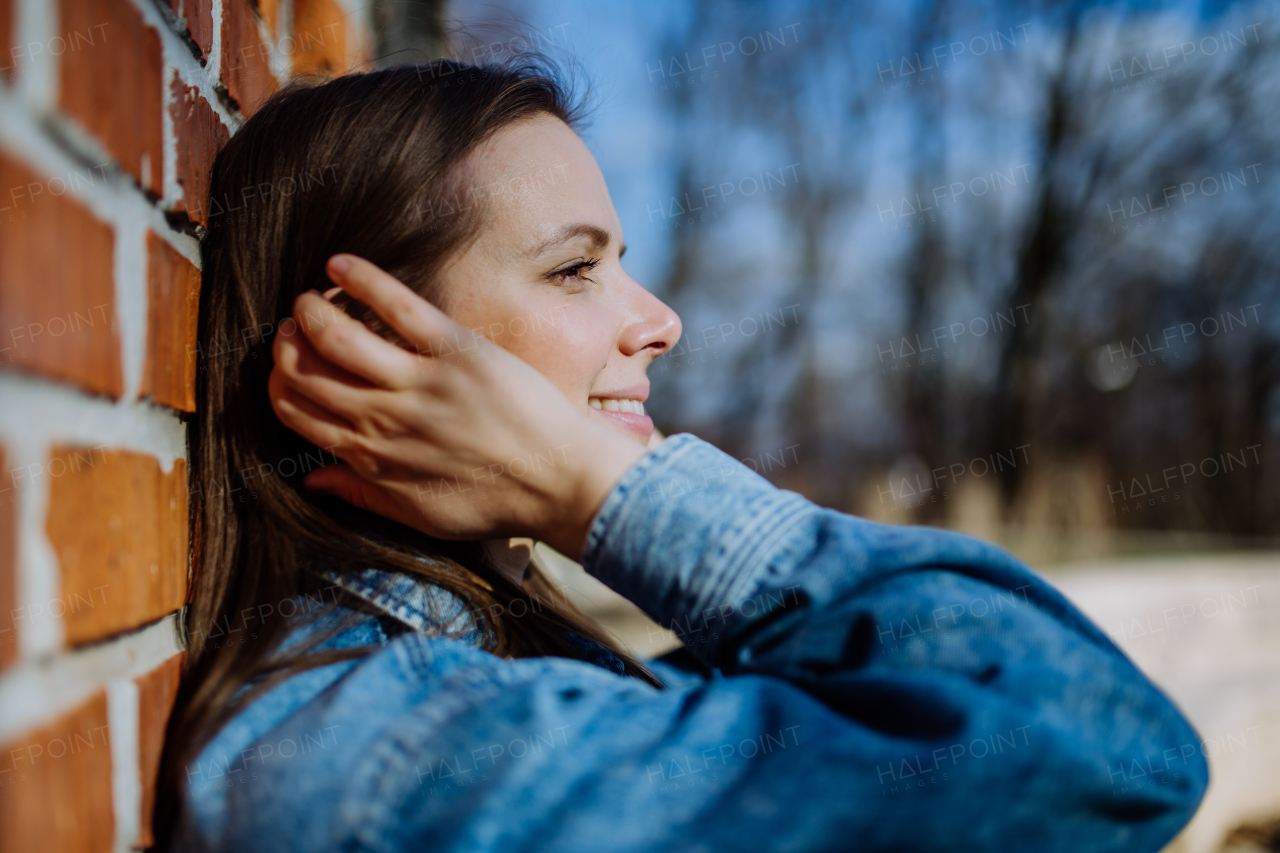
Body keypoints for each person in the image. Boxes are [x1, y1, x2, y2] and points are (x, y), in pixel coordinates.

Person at [158, 57, 1208, 852]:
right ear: (364, 344)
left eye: (623, 264)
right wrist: (594, 486)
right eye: (575, 269)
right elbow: (1104, 755)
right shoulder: (384, 753)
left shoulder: (498, 686)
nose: (658, 321)